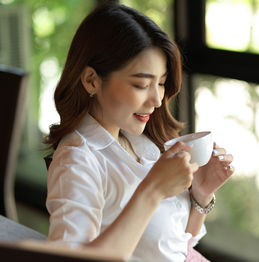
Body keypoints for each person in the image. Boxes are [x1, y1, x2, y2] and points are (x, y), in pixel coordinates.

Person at [44, 3, 234, 262]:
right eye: (142, 84)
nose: (157, 100)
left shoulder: (142, 143)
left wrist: (201, 193)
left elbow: (172, 247)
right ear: (91, 80)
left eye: (162, 83)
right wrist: (152, 190)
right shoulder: (77, 161)